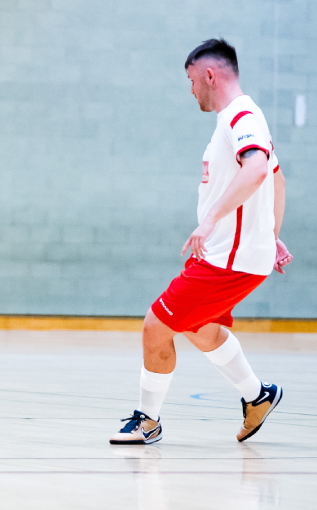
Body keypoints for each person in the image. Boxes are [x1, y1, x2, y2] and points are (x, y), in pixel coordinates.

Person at [110, 39, 293, 445]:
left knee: (155, 326)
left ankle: (148, 420)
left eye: (192, 81)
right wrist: (272, 234)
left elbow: (260, 169)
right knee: (198, 328)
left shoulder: (241, 114)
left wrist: (210, 221)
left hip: (229, 259)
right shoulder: (237, 120)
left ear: (210, 75)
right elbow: (277, 177)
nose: (191, 90)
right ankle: (257, 396)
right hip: (231, 255)